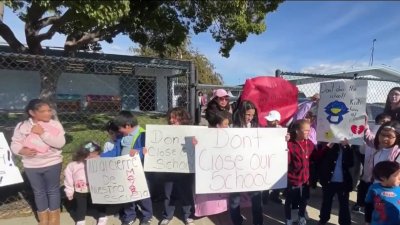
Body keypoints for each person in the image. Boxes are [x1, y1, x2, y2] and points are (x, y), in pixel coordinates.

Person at [10, 99, 66, 225]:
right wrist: (21, 150)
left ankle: (54, 220)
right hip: (32, 165)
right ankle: (44, 220)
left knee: (53, 190)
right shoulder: (22, 126)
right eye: (43, 111)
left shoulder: (55, 124)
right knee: (38, 192)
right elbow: (15, 143)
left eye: (49, 110)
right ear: (32, 112)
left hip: (52, 163)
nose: (48, 113)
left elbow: (60, 143)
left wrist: (42, 133)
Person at [102, 111, 153, 225]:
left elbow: (149, 151)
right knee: (127, 195)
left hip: (140, 172)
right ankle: (130, 216)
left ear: (128, 126)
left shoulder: (144, 134)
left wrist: (139, 152)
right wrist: (100, 157)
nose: (118, 131)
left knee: (142, 195)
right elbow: (115, 151)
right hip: (124, 171)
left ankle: (147, 216)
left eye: (120, 128)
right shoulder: (122, 136)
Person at [229, 100, 263, 225]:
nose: (250, 117)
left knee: (256, 199)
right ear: (241, 113)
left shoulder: (256, 128)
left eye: (252, 115)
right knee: (234, 200)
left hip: (253, 169)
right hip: (235, 169)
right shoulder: (231, 127)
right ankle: (237, 221)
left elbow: (268, 142)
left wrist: (282, 137)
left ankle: (258, 223)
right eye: (248, 114)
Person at [160, 107, 195, 225]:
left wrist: (196, 143)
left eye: (174, 117)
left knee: (186, 192)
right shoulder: (163, 132)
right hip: (168, 169)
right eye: (169, 117)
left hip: (185, 169)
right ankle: (167, 215)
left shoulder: (191, 132)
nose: (171, 120)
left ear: (182, 118)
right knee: (168, 193)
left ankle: (188, 215)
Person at [194, 110, 232, 217]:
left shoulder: (230, 133)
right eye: (225, 124)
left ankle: (224, 208)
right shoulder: (210, 134)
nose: (228, 127)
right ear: (218, 124)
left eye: (228, 124)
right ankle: (208, 209)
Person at [352, 113, 392, 214]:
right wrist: (365, 124)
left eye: (387, 123)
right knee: (365, 188)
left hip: (381, 179)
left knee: (378, 200)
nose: (385, 139)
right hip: (369, 172)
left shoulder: (394, 148)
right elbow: (367, 139)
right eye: (382, 122)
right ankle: (361, 205)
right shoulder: (374, 140)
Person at [363, 120, 400, 223]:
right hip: (376, 187)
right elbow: (368, 137)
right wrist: (364, 124)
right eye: (382, 135)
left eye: (389, 136)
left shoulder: (397, 152)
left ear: (397, 137)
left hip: (391, 192)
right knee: (374, 211)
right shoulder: (378, 147)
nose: (384, 138)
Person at [64, 141, 108, 225]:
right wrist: (69, 191)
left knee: (100, 203)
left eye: (97, 153)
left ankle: (102, 217)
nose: (95, 156)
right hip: (80, 190)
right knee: (81, 206)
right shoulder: (73, 165)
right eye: (93, 154)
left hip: (96, 189)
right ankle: (80, 220)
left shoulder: (99, 162)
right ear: (84, 154)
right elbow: (68, 179)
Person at [313, 140, 354, 225]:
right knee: (326, 202)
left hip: (343, 182)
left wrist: (346, 147)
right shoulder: (328, 146)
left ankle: (345, 222)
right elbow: (319, 159)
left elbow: (350, 163)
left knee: (344, 204)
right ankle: (323, 219)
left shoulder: (347, 148)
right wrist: (327, 147)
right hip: (328, 181)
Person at [285, 119, 316, 225]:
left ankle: (301, 216)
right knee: (289, 201)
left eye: (309, 130)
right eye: (305, 130)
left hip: (305, 179)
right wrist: (285, 145)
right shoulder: (290, 144)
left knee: (304, 200)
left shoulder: (310, 143)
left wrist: (328, 147)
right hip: (293, 179)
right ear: (297, 131)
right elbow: (286, 161)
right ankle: (288, 218)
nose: (308, 132)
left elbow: (317, 156)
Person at [365, 160, 400, 225]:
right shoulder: (374, 189)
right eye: (396, 176)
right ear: (383, 178)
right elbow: (368, 205)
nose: (399, 177)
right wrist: (367, 221)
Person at [263, 110, 283, 204]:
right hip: (266, 158)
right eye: (268, 120)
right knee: (266, 177)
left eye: (271, 120)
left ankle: (275, 195)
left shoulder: (281, 131)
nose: (268, 122)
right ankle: (265, 196)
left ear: (277, 121)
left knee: (277, 178)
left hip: (277, 159)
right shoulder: (264, 129)